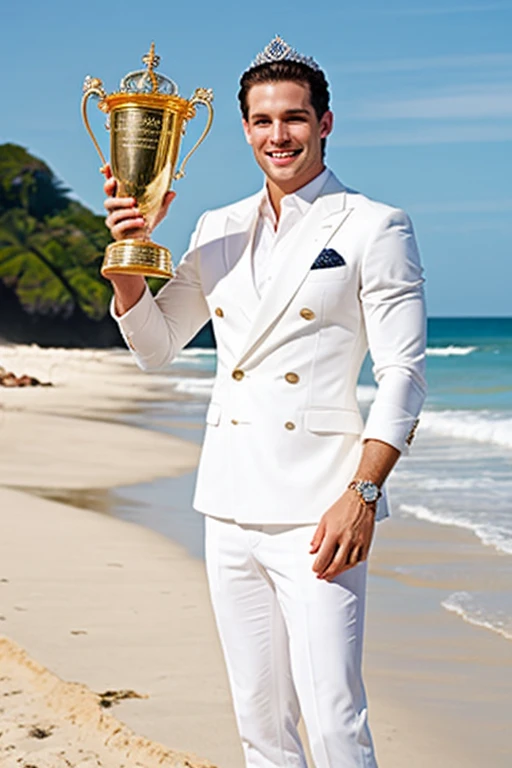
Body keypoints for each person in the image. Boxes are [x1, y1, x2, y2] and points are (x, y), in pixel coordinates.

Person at [103, 36, 427, 768]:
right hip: (228, 503)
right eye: (262, 121)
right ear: (244, 128)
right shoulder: (216, 226)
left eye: (294, 118)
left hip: (320, 509)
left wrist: (364, 493)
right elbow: (157, 345)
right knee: (261, 726)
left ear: (325, 123)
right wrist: (129, 260)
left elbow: (404, 373)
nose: (278, 136)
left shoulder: (374, 224)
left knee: (336, 720)